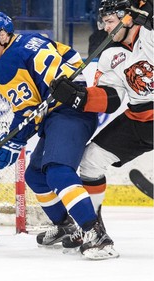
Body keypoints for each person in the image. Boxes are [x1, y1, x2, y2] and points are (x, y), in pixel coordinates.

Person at [0, 11, 118, 260]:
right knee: (36, 175)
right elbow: (71, 56)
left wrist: (11, 142)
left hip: (69, 114)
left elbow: (28, 113)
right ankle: (65, 226)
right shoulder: (35, 38)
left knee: (58, 171)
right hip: (72, 108)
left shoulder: (6, 66)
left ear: (3, 35)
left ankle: (96, 235)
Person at [49, 0, 153, 252]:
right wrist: (78, 97)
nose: (106, 28)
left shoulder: (149, 34)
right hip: (140, 121)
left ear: (127, 17)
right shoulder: (110, 55)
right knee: (91, 161)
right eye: (104, 23)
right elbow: (111, 99)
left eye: (110, 22)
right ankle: (92, 229)